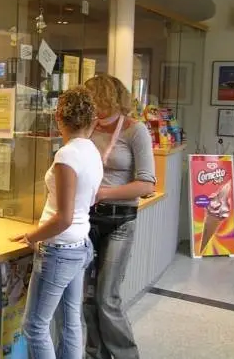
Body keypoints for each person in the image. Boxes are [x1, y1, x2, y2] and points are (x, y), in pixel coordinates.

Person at [11, 86, 102, 359]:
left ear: (59, 117)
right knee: (71, 322)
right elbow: (90, 199)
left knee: (35, 327)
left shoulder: (67, 155)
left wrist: (33, 236)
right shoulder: (93, 152)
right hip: (80, 245)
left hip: (60, 250)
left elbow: (63, 217)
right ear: (91, 119)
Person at [83, 74, 156, 359]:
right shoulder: (88, 129)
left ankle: (127, 355)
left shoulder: (134, 131)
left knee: (106, 297)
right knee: (87, 298)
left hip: (120, 220)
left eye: (97, 102)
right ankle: (94, 355)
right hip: (87, 220)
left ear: (110, 99)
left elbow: (147, 184)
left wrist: (103, 193)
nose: (95, 110)